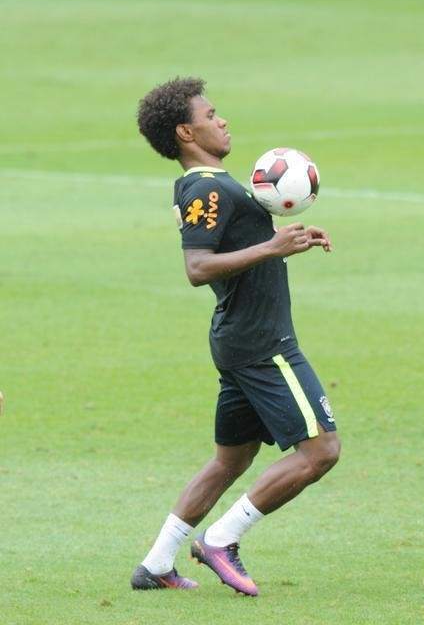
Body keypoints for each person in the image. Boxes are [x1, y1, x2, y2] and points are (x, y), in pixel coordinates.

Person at [131, 76, 340, 596]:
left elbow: (236, 249)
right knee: (320, 452)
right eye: (210, 114)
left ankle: (156, 563)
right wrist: (272, 250)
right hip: (263, 343)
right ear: (185, 131)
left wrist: (283, 239)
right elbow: (198, 267)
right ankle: (220, 539)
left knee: (233, 458)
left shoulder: (218, 185)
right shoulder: (206, 187)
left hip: (239, 336)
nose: (221, 120)